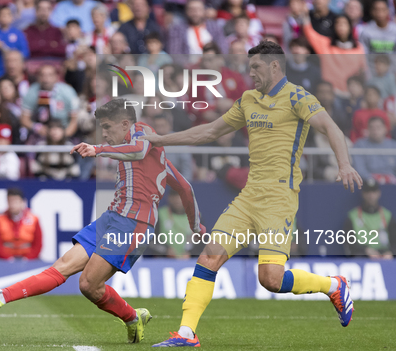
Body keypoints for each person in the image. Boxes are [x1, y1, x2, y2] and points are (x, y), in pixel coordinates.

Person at [145, 41, 362, 347]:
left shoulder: (298, 96)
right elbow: (207, 131)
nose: (251, 73)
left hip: (279, 199)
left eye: (256, 67)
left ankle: (333, 286)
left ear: (275, 66)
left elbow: (331, 128)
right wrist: (160, 139)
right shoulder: (248, 99)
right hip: (248, 197)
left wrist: (344, 164)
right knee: (209, 256)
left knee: (271, 279)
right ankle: (186, 333)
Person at [0, 98, 204, 344]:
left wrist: (98, 148)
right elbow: (185, 188)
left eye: (108, 127)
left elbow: (140, 151)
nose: (105, 133)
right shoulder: (156, 158)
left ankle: (132, 317)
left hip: (134, 224)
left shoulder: (142, 131)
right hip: (112, 217)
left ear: (125, 124)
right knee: (61, 267)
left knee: (88, 284)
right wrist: (197, 225)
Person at [302, 13, 366, 95]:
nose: (341, 26)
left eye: (344, 23)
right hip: (331, 94)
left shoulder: (358, 48)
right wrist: (305, 15)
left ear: (350, 27)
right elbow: (310, 34)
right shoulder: (325, 45)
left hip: (352, 93)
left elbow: (363, 71)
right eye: (338, 23)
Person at [21, 65, 79, 139]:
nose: (46, 79)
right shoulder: (31, 92)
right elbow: (24, 119)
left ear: (56, 77)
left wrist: (63, 136)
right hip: (40, 133)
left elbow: (74, 121)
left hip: (64, 131)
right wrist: (36, 127)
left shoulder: (68, 92)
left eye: (50, 75)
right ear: (38, 77)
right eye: (42, 75)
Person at [344, 179, 396, 258]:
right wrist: (366, 250)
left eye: (374, 192)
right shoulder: (353, 216)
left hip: (384, 256)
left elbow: (394, 240)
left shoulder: (387, 215)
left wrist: (391, 252)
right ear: (363, 194)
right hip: (363, 255)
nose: (371, 196)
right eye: (368, 192)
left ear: (379, 193)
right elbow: (349, 242)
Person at [0, 187, 42, 260]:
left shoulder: (33, 219)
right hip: (4, 259)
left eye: (16, 201)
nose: (12, 205)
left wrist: (27, 258)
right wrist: (8, 258)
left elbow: (37, 244)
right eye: (10, 201)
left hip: (27, 257)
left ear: (22, 202)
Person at [0, 5, 30, 80]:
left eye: (7, 15)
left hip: (13, 70)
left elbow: (25, 53)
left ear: (12, 17)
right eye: (1, 15)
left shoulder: (18, 33)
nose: (4, 17)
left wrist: (11, 53)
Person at [353, 117, 396, 183]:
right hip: (368, 184)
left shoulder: (393, 145)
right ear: (367, 129)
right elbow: (359, 169)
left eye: (378, 127)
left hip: (392, 183)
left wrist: (390, 178)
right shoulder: (360, 145)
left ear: (385, 129)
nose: (375, 131)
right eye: (372, 128)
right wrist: (374, 179)